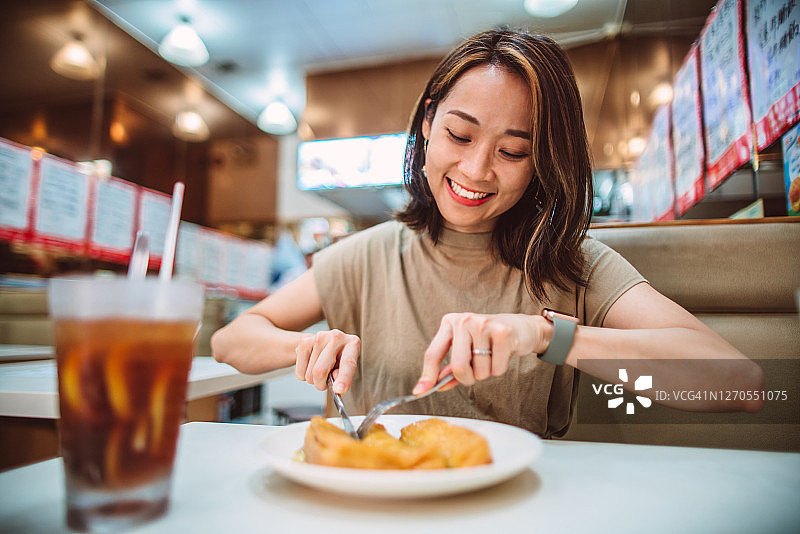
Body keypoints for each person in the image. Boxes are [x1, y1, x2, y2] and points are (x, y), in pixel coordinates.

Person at [212, 28, 763, 438]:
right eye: (459, 134)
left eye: (512, 151)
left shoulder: (573, 265)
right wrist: (305, 345)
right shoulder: (368, 254)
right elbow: (231, 340)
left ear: (541, 161)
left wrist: (549, 337)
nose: (476, 171)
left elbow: (739, 385)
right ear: (428, 124)